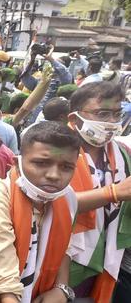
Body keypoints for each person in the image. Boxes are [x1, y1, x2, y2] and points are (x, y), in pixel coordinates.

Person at [0, 121, 81, 302]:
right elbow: (4, 277)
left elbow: (65, 246)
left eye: (66, 167)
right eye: (42, 163)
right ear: (17, 163)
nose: (54, 175)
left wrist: (61, 289)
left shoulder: (67, 197)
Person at [65, 81, 131, 301]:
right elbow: (51, 201)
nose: (112, 122)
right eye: (102, 114)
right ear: (74, 119)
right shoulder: (56, 150)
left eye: (116, 114)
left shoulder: (122, 154)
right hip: (67, 259)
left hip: (110, 256)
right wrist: (112, 193)